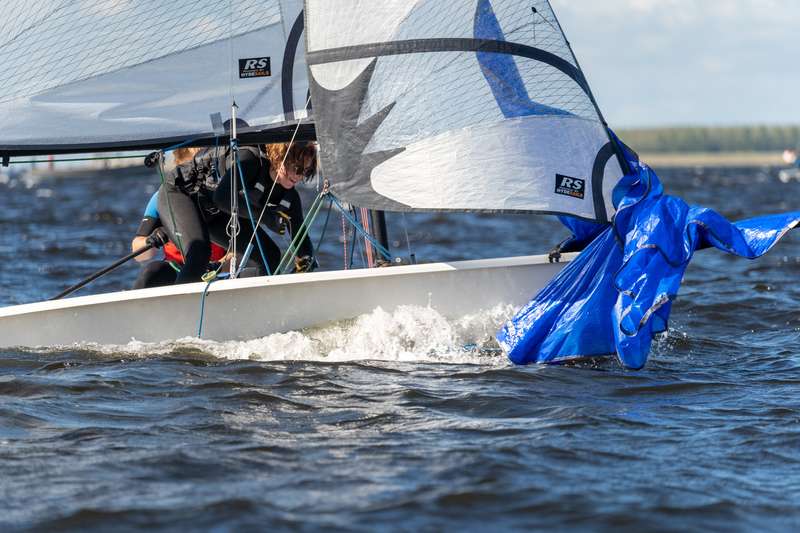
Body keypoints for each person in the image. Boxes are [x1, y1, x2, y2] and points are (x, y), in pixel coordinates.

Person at [157, 132, 317, 284]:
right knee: (200, 252)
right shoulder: (249, 160)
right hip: (181, 193)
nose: (300, 176)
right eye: (298, 168)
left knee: (270, 255)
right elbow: (222, 198)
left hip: (216, 212)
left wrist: (306, 260)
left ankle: (258, 301)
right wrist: (267, 218)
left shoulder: (289, 197)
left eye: (306, 171)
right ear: (279, 158)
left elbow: (300, 236)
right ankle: (182, 303)